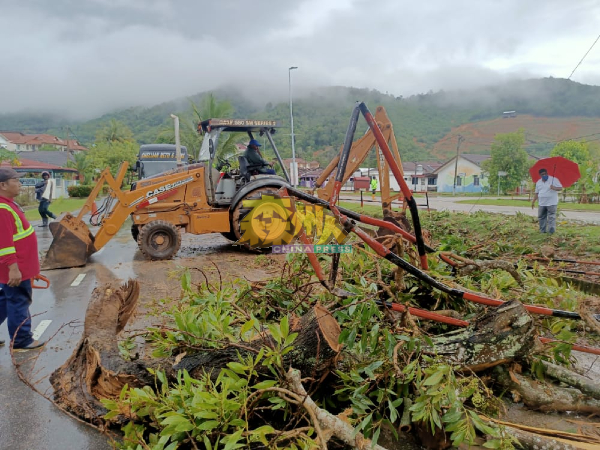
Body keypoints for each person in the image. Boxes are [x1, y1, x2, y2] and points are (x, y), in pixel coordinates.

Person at [0, 167, 45, 351]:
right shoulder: (2, 209)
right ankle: (21, 340)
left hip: (19, 266)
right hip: (15, 268)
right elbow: (4, 243)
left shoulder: (8, 204)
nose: (20, 184)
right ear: (3, 185)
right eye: (15, 181)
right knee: (19, 300)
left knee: (5, 299)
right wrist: (13, 267)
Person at [531, 168, 563, 234]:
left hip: (551, 202)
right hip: (542, 203)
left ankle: (551, 231)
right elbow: (537, 193)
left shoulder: (554, 179)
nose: (545, 175)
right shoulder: (538, 182)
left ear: (547, 173)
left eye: (545, 174)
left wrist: (554, 188)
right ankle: (542, 231)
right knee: (541, 217)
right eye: (543, 174)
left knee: (551, 216)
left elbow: (560, 188)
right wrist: (533, 201)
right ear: (540, 175)